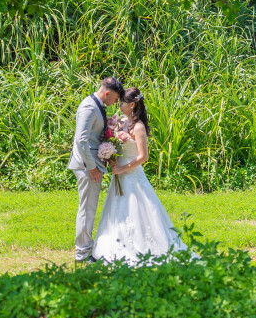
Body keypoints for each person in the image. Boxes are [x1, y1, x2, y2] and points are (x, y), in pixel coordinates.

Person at [92, 86, 189, 265]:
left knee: (138, 211)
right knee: (116, 211)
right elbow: (115, 144)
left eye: (123, 103)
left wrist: (123, 168)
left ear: (133, 104)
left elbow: (143, 157)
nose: (120, 106)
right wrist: (111, 157)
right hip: (118, 175)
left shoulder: (138, 127)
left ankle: (142, 246)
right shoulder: (120, 122)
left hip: (132, 175)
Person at [68, 75, 124, 263]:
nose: (115, 102)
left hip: (92, 163)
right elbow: (81, 140)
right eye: (115, 98)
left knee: (90, 207)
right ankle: (82, 253)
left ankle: (86, 248)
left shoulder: (98, 105)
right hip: (86, 165)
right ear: (107, 93)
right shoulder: (88, 106)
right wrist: (92, 168)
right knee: (87, 208)